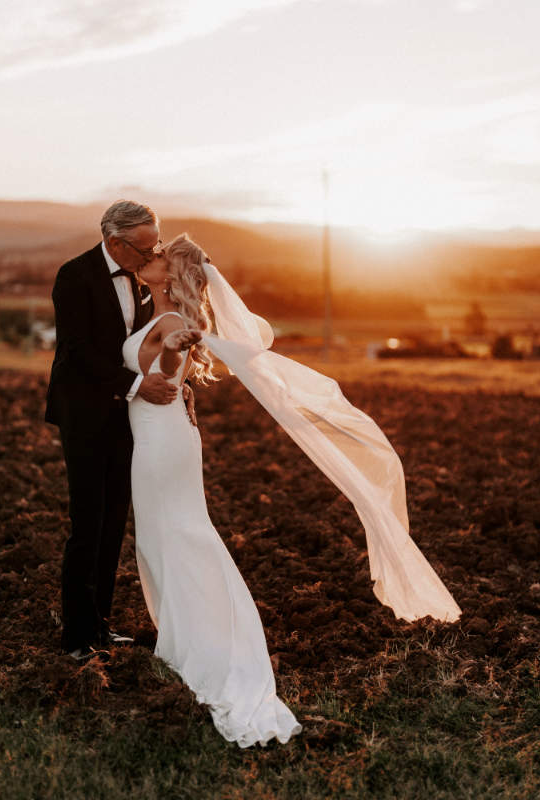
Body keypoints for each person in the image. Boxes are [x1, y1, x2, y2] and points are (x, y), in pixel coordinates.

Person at [123, 233, 461, 748]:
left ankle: (209, 649)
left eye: (162, 255)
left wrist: (172, 359)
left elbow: (166, 374)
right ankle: (183, 640)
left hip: (160, 440)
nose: (153, 257)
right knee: (163, 538)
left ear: (173, 275)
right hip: (161, 435)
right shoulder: (159, 313)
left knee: (177, 536)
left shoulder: (172, 325)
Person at [44, 200, 193, 661]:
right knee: (87, 523)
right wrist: (135, 385)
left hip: (129, 420)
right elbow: (76, 351)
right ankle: (75, 637)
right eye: (145, 248)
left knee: (114, 524)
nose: (153, 255)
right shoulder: (75, 276)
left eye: (158, 245)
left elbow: (147, 345)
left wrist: (173, 381)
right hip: (86, 415)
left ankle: (101, 627)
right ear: (114, 242)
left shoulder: (143, 281)